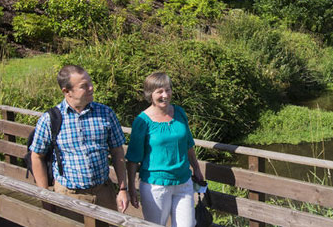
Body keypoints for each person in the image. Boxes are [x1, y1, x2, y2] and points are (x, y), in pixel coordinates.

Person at [29, 65, 129, 212]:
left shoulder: (106, 113)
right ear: (66, 91)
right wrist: (45, 196)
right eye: (84, 86)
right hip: (69, 196)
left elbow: (117, 152)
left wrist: (123, 189)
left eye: (90, 83)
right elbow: (37, 156)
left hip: (104, 193)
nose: (91, 88)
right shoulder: (50, 119)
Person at [126, 72, 204, 226]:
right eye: (159, 91)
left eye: (167, 90)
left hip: (183, 182)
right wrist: (131, 188)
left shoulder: (179, 113)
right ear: (150, 94)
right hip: (156, 185)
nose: (165, 95)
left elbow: (188, 143)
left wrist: (196, 167)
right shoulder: (142, 121)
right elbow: (133, 158)